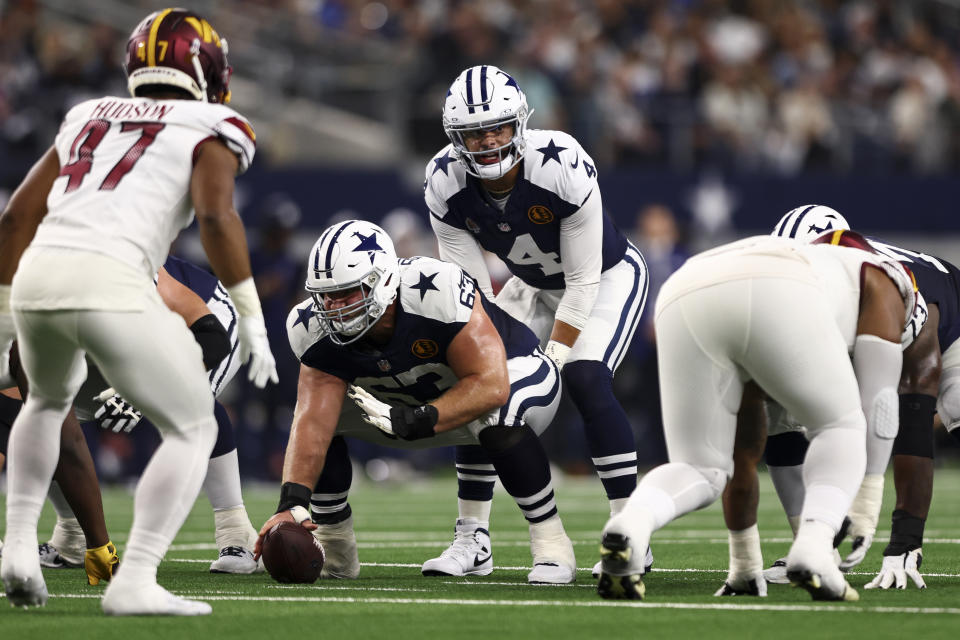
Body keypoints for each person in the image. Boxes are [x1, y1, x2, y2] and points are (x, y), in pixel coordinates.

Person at [0, 8, 277, 616]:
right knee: (194, 425)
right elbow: (214, 217)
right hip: (116, 279)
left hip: (38, 275)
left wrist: (5, 314)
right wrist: (253, 314)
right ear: (207, 68)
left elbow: (17, 217)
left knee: (44, 403)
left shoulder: (85, 114)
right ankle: (136, 577)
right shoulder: (217, 122)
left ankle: (17, 546)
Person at [597, 232, 917, 602]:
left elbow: (744, 452)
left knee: (701, 467)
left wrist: (745, 565)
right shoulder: (888, 280)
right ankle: (814, 547)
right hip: (777, 288)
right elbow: (879, 403)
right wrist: (866, 502)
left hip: (683, 290)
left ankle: (631, 525)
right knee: (841, 426)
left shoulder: (821, 273)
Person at [254, 220, 578, 584]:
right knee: (324, 421)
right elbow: (312, 420)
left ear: (384, 280)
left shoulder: (435, 289)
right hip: (410, 402)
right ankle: (336, 549)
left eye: (347, 293)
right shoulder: (310, 326)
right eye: (326, 295)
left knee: (496, 414)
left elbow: (490, 384)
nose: (333, 307)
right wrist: (290, 504)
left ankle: (551, 542)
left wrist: (419, 418)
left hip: (515, 375)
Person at [424, 65, 649, 577]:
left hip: (605, 277)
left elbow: (585, 280)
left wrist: (551, 358)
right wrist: (483, 356)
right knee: (475, 379)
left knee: (585, 376)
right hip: (529, 285)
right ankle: (473, 538)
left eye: (496, 128)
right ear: (454, 137)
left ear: (519, 124)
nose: (486, 141)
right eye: (473, 132)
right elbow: (470, 294)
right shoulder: (444, 180)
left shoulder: (561, 162)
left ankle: (630, 532)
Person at [759, 204, 958, 589]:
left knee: (953, 403)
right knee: (777, 408)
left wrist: (905, 539)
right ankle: (813, 544)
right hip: (861, 323)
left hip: (951, 322)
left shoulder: (893, 287)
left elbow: (914, 405)